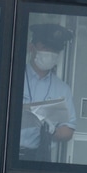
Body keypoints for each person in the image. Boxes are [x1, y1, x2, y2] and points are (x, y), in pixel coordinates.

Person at [20, 24, 77, 159]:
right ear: (31, 48)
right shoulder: (13, 78)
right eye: (45, 48)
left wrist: (52, 131)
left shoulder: (62, 89)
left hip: (40, 157)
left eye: (54, 50)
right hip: (7, 152)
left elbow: (68, 130)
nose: (49, 54)